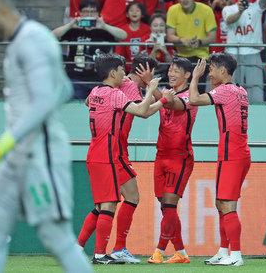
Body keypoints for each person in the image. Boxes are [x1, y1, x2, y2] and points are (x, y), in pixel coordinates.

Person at [0, 0, 92, 273]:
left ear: (2, 13)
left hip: (41, 154)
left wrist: (1, 145)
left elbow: (46, 100)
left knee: (55, 237)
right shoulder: (23, 42)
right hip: (17, 155)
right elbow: (64, 89)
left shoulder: (32, 39)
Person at [84, 53, 172, 264]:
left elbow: (89, 102)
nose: (125, 75)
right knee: (109, 205)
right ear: (113, 73)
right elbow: (142, 111)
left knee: (106, 204)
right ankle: (101, 254)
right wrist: (154, 91)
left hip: (97, 151)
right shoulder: (116, 93)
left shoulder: (96, 90)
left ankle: (88, 249)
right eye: (122, 71)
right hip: (110, 152)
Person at [188, 53, 250, 267]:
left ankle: (236, 255)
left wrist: (195, 77)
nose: (209, 73)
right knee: (221, 202)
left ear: (223, 71)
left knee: (227, 204)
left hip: (231, 153)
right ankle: (224, 251)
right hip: (239, 152)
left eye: (211, 68)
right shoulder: (240, 90)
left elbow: (194, 99)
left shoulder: (224, 90)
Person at [147, 57, 197, 265]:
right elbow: (158, 102)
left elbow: (175, 105)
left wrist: (152, 85)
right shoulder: (166, 93)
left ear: (187, 75)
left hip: (180, 157)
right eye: (170, 70)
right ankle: (181, 252)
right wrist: (152, 87)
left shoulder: (190, 97)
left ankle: (158, 251)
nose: (171, 73)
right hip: (161, 155)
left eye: (177, 70)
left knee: (168, 207)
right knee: (165, 207)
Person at [53, 0, 128, 99]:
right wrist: (70, 25)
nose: (89, 15)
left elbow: (123, 35)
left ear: (98, 13)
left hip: (101, 79)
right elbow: (52, 35)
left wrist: (104, 26)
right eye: (85, 12)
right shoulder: (73, 29)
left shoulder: (105, 29)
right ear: (80, 13)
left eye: (92, 12)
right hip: (76, 79)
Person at [166, 0, 217, 90]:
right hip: (180, 56)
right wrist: (181, 40)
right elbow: (170, 36)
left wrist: (199, 42)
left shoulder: (206, 10)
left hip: (200, 57)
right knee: (177, 91)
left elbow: (212, 36)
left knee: (197, 93)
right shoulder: (173, 10)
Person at [116, 1, 151, 72]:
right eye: (131, 10)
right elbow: (119, 51)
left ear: (142, 14)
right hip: (127, 68)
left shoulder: (148, 29)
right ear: (127, 14)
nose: (134, 12)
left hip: (145, 68)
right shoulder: (122, 30)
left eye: (137, 10)